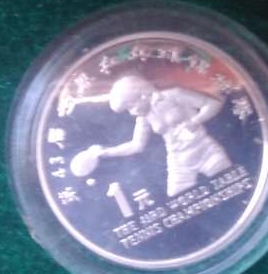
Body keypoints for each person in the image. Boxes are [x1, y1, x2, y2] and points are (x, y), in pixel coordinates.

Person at [79, 74, 232, 198]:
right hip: (179, 161)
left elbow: (213, 104)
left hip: (205, 150)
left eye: (131, 106)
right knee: (178, 200)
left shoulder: (174, 94)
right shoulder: (144, 117)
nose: (131, 112)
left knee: (229, 182)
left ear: (142, 95)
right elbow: (136, 145)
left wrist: (194, 121)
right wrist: (106, 152)